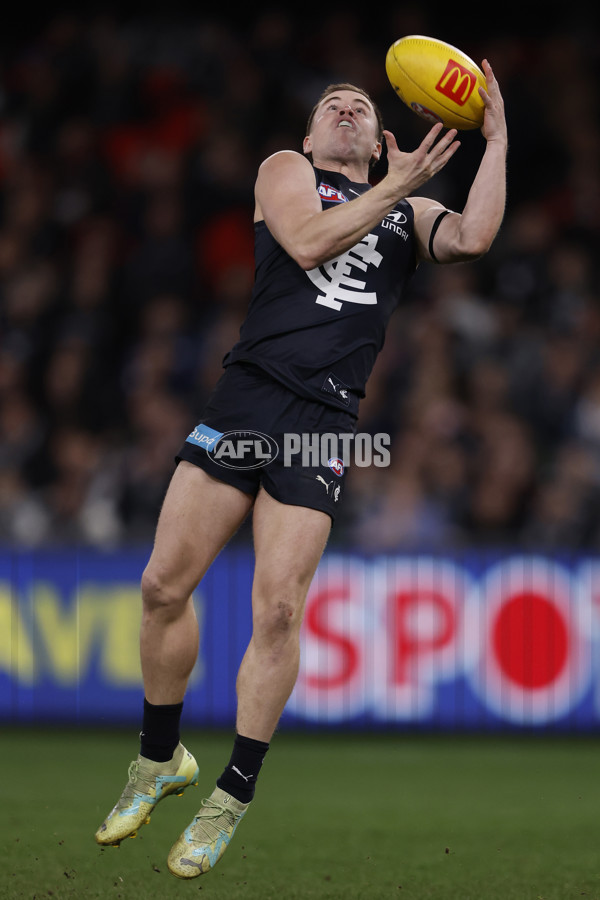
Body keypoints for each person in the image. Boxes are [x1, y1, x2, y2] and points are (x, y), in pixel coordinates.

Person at [95, 61, 507, 878]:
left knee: (280, 610)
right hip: (246, 404)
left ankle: (231, 795)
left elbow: (474, 238)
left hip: (323, 427)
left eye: (360, 105)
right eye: (331, 105)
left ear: (378, 137)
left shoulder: (409, 211)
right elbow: (311, 241)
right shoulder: (286, 171)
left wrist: (495, 141)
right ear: (313, 136)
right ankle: (159, 758)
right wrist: (398, 187)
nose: (346, 108)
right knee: (163, 586)